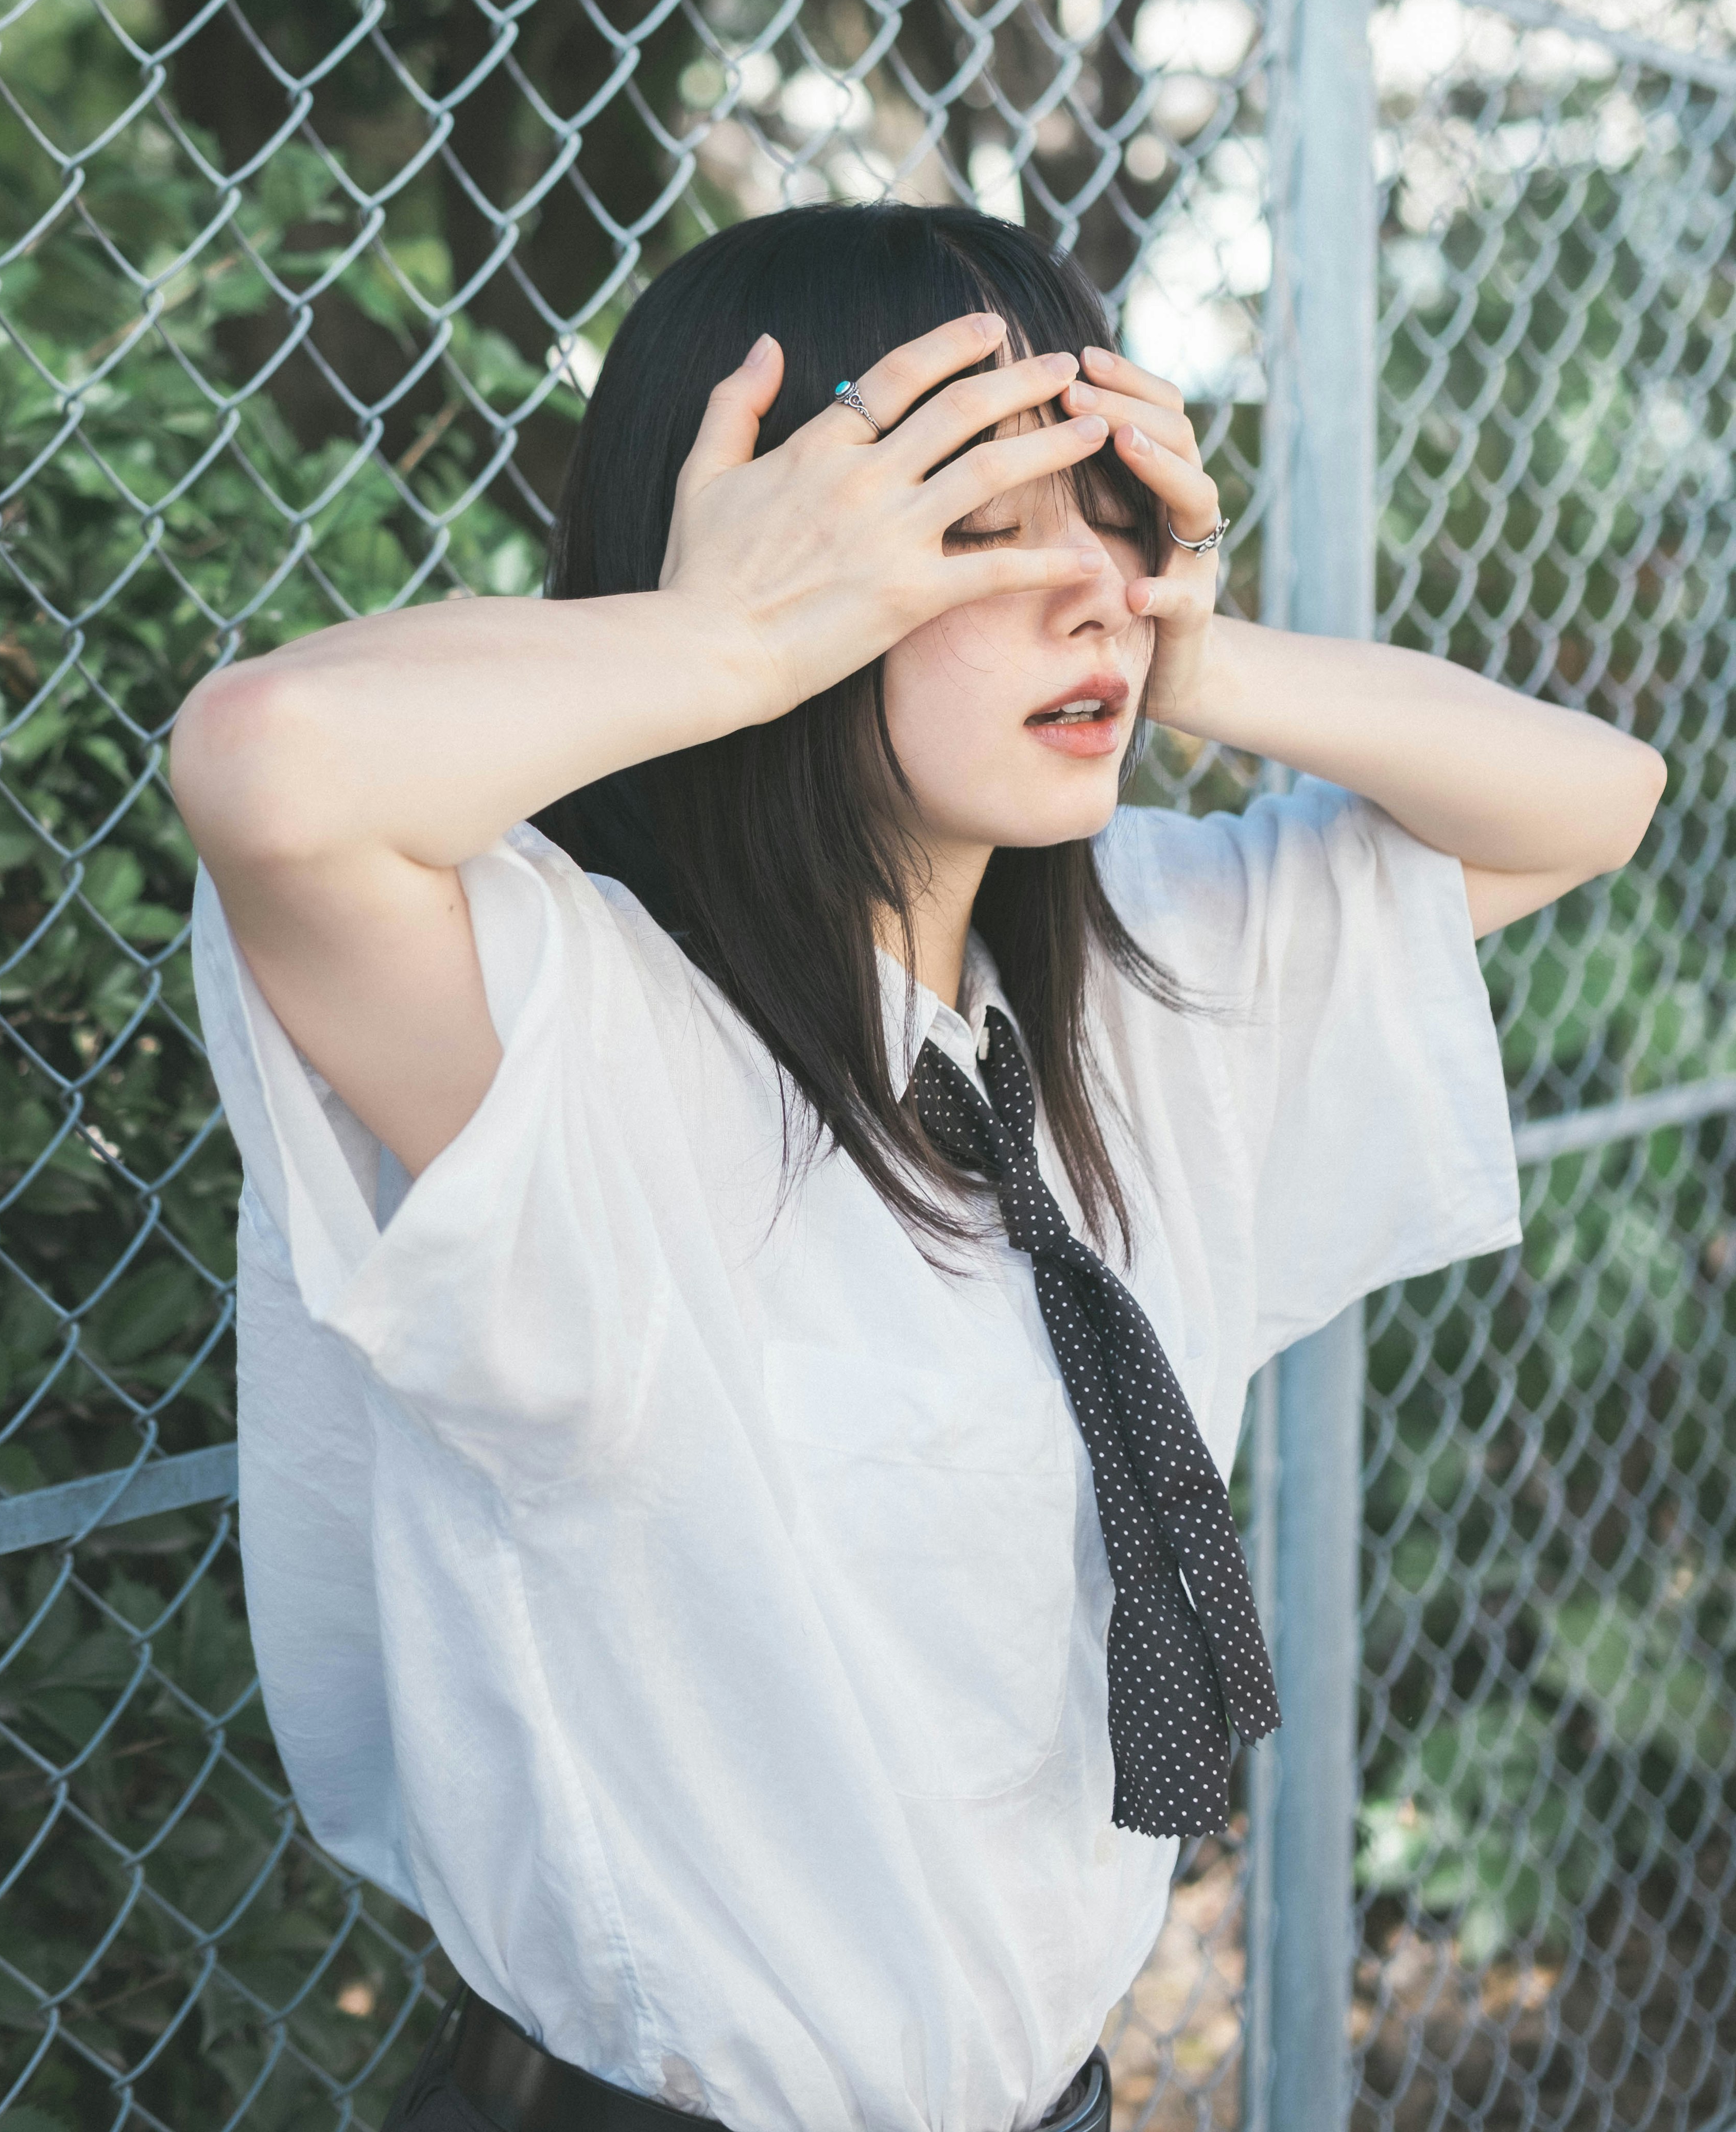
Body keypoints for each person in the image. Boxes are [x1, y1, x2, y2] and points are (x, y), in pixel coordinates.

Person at [171, 203, 1663, 2132]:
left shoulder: (1144, 971)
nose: (1093, 594)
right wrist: (722, 640)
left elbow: (1596, 795)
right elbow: (269, 766)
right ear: (780, 563)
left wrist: (1201, 651)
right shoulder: (581, 1040)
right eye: (968, 526)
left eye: (1112, 513)